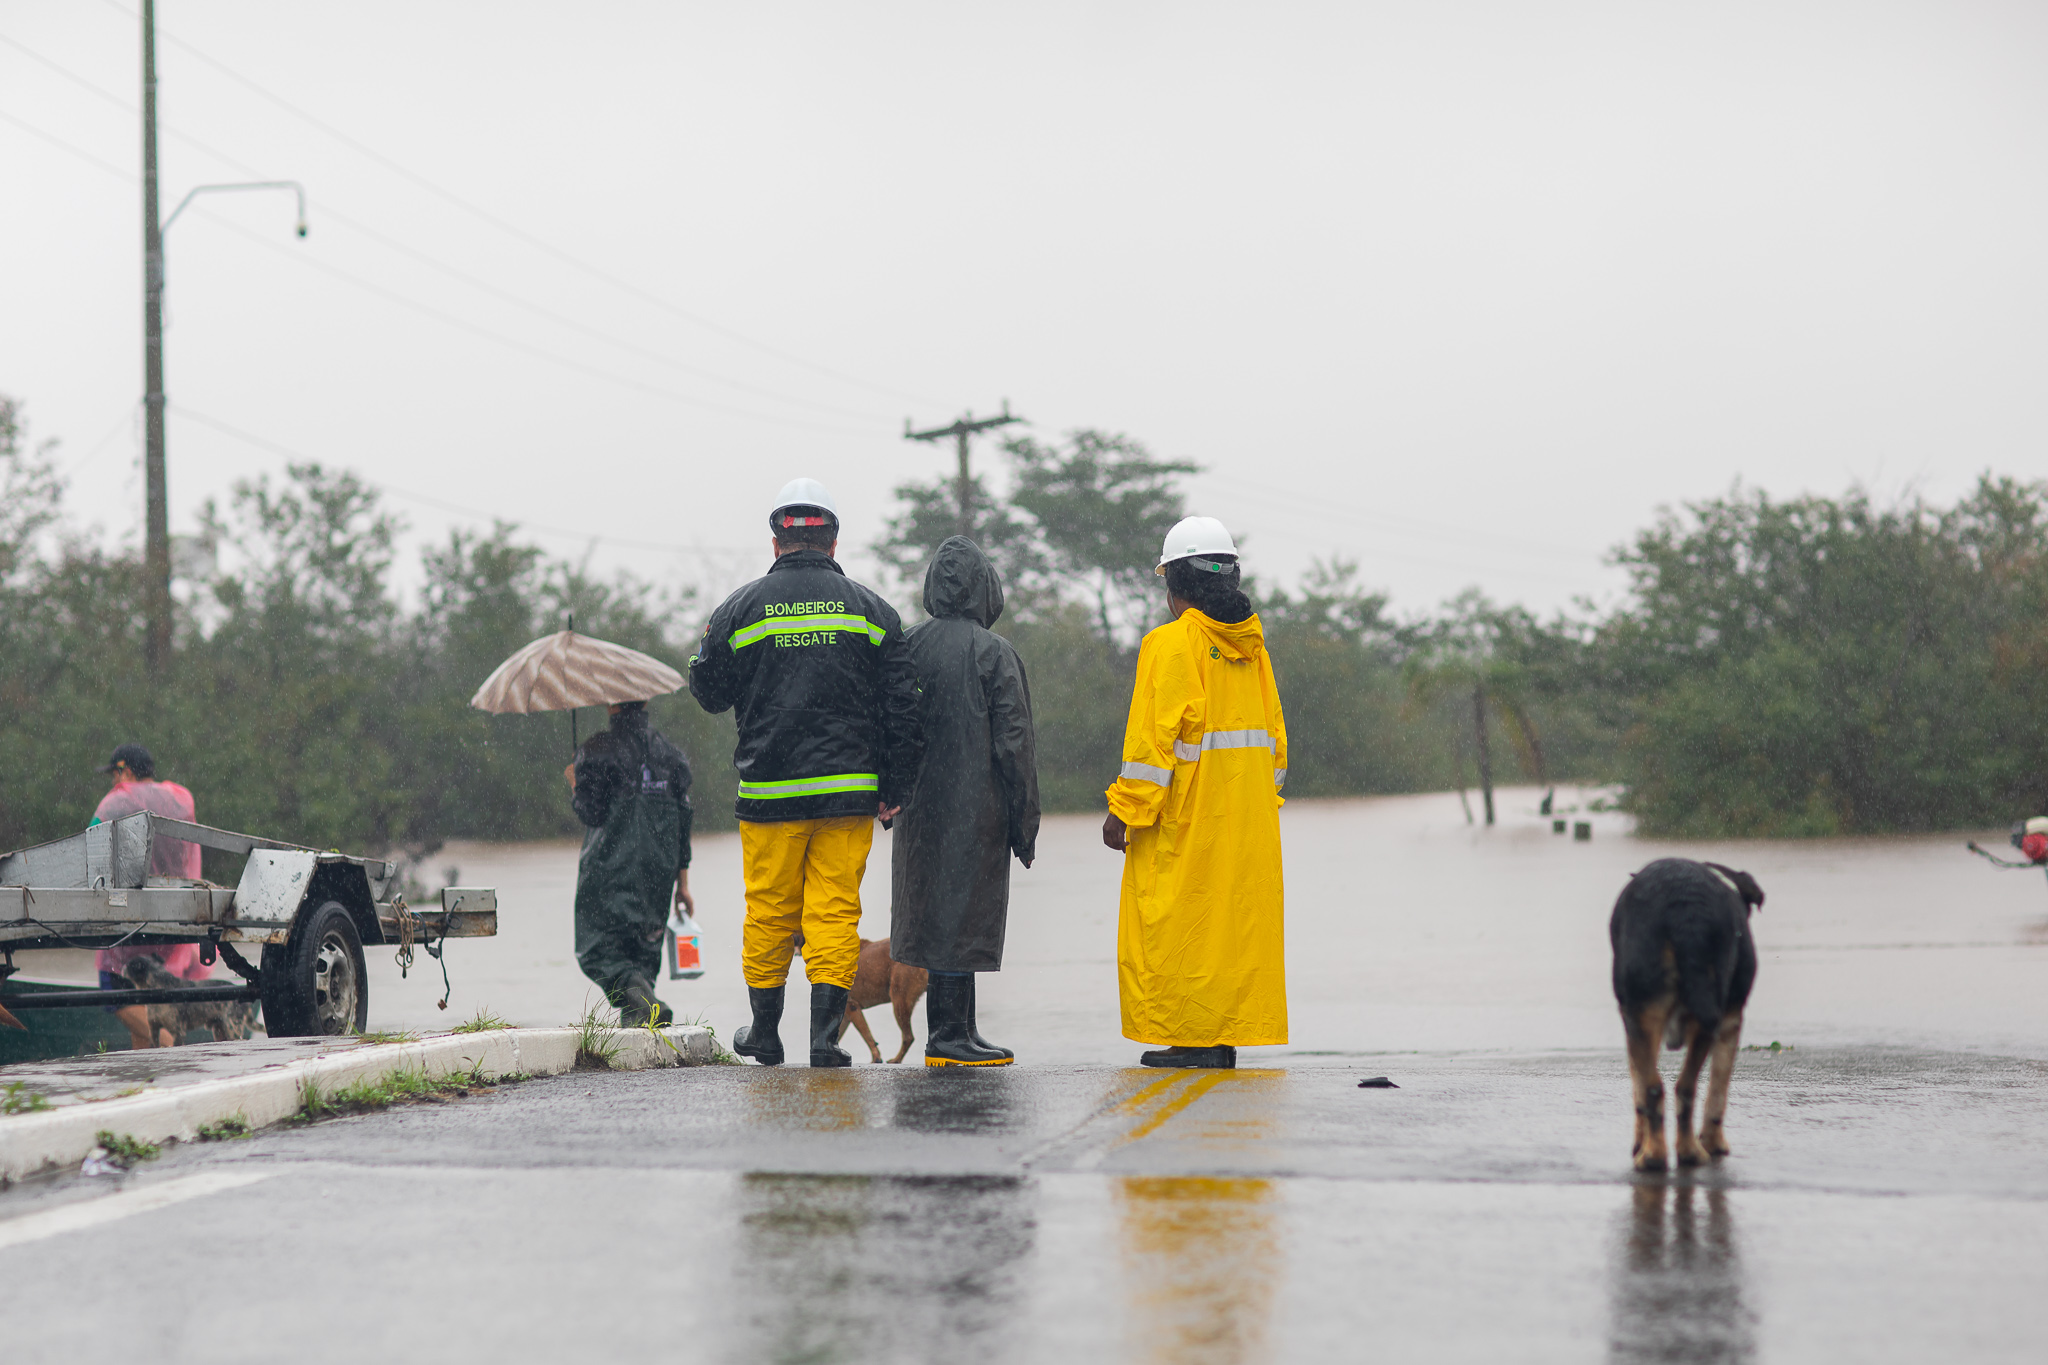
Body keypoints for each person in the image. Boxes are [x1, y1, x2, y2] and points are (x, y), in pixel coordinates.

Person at [688, 478, 923, 1067]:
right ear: (834, 542)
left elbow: (710, 692)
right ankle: (824, 1044)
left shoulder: (739, 609)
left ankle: (765, 1035)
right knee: (835, 914)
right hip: (848, 795)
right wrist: (893, 788)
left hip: (770, 795)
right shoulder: (874, 612)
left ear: (776, 543)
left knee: (769, 912)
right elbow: (904, 707)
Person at [1101, 517, 1289, 1069]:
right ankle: (1220, 1038)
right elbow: (1275, 746)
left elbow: (1149, 746)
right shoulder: (1253, 647)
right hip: (1247, 824)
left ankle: (1192, 1041)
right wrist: (1252, 803)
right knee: (1229, 931)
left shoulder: (1170, 645)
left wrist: (1123, 811)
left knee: (1180, 930)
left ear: (1174, 586)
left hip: (1184, 820)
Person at [890, 536, 1040, 1066]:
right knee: (963, 918)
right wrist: (1025, 823)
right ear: (985, 589)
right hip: (978, 812)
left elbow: (885, 727)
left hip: (918, 813)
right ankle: (948, 1036)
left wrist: (889, 796)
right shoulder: (995, 654)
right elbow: (1015, 745)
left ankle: (962, 1028)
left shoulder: (905, 646)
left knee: (936, 917)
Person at [564, 700, 694, 1026]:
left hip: (610, 869)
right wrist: (684, 884)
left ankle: (644, 1004)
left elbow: (591, 813)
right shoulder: (671, 754)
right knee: (643, 954)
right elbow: (684, 820)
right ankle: (642, 1022)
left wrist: (575, 783)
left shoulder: (597, 751)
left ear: (611, 705)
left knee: (598, 949)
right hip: (659, 873)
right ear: (646, 700)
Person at [90, 744, 210, 1049]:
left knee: (116, 995)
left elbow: (89, 847)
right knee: (146, 1014)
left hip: (129, 925)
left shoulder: (118, 801)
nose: (113, 781)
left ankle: (175, 1050)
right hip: (172, 922)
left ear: (125, 771)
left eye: (115, 774)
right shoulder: (180, 799)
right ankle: (149, 1083)